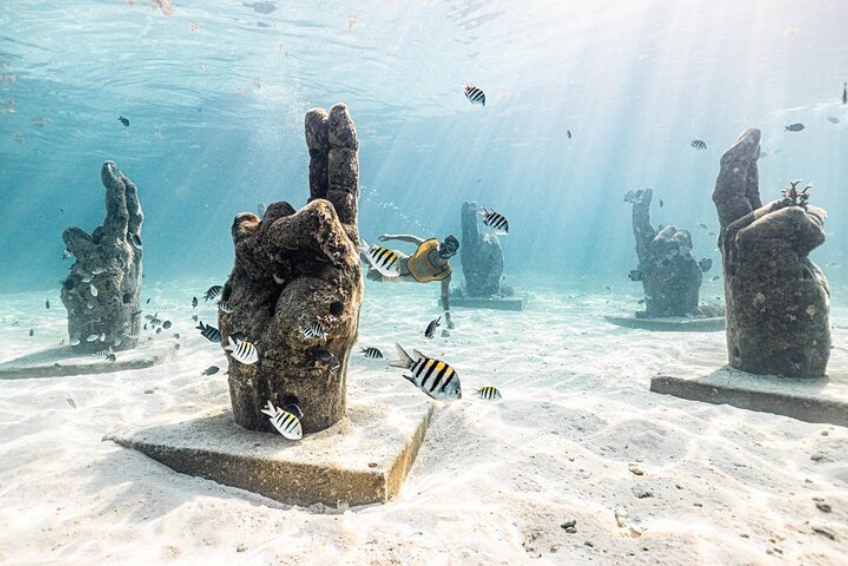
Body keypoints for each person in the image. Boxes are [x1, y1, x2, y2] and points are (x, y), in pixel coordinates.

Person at [362, 233, 459, 329]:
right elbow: (413, 239)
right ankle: (357, 249)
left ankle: (366, 256)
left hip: (397, 277)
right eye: (442, 246)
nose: (443, 250)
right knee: (367, 258)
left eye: (449, 249)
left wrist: (448, 318)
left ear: (453, 253)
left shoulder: (444, 273)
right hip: (396, 260)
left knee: (370, 275)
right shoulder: (430, 246)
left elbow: (444, 296)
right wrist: (391, 237)